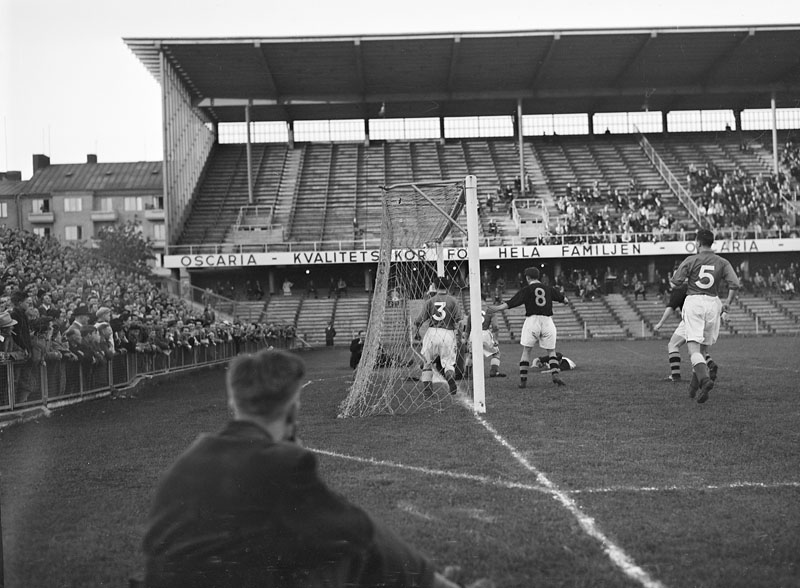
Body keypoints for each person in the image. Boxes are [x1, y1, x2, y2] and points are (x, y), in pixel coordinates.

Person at [142, 349, 480, 588]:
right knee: (353, 551)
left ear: (234, 403)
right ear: (292, 410)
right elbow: (357, 531)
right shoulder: (282, 464)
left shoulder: (189, 459)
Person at [670, 229, 740, 403]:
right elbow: (735, 284)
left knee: (693, 349)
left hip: (694, 301)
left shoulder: (691, 259)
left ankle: (704, 380)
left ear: (698, 243)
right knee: (703, 350)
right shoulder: (722, 262)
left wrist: (679, 277)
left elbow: (676, 282)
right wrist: (728, 303)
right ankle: (694, 388)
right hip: (713, 302)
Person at [488, 266, 568, 388]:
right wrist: (563, 300)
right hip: (547, 321)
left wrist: (497, 308)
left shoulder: (527, 289)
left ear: (527, 277)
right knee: (551, 351)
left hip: (532, 320)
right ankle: (555, 375)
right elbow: (565, 299)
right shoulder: (548, 288)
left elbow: (512, 302)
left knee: (527, 351)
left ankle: (523, 381)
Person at [652, 283, 719, 383]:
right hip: (706, 316)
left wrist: (660, 323)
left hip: (691, 318)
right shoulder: (697, 284)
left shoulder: (680, 288)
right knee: (699, 349)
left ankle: (677, 376)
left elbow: (671, 307)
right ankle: (710, 364)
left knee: (674, 344)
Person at [413, 279, 463, 395]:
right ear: (449, 286)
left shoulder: (430, 301)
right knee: (448, 363)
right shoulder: (453, 301)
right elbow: (459, 321)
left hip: (432, 333)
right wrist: (459, 335)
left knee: (427, 363)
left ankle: (427, 391)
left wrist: (416, 329)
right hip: (447, 333)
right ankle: (450, 378)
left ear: (434, 286)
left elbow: (420, 320)